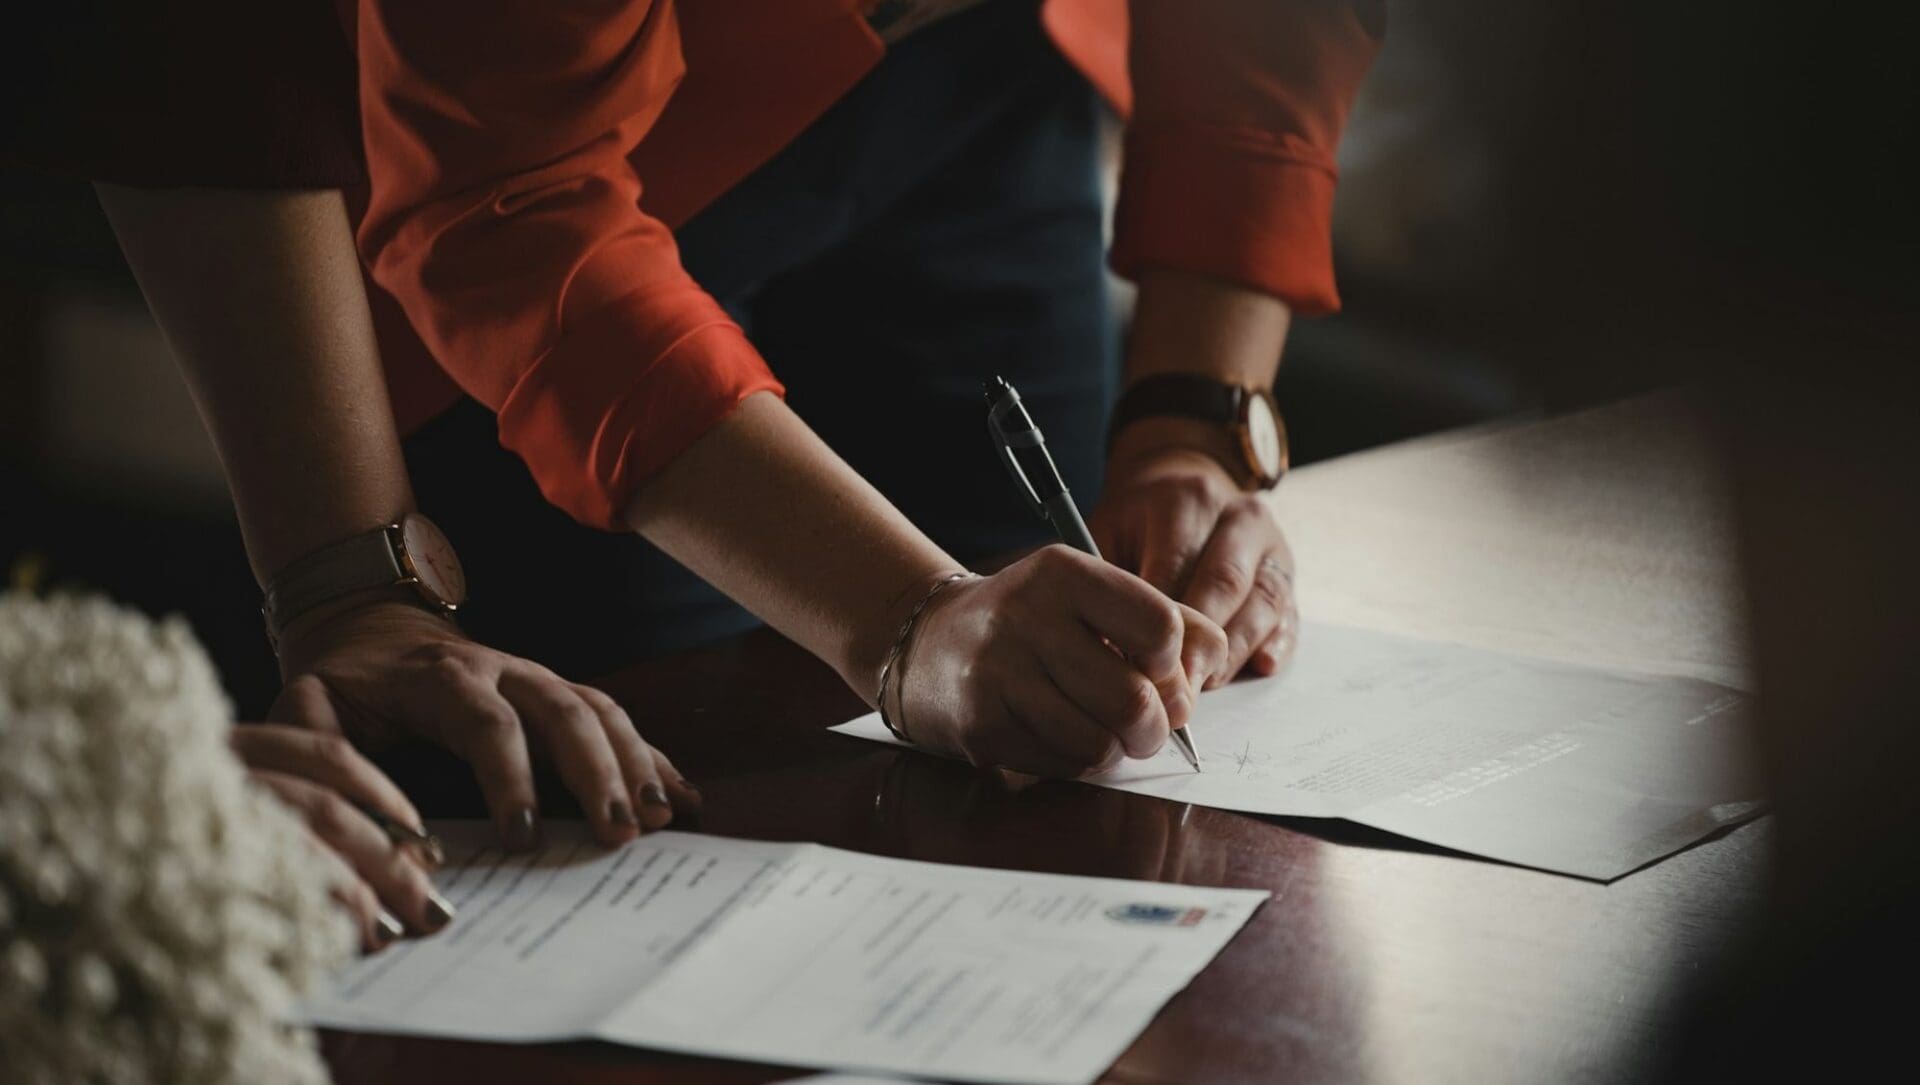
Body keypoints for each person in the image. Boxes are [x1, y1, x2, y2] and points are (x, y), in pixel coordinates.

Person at [310, 0, 1381, 794]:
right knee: (662, 784)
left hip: (993, 66)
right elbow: (510, 201)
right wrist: (900, 618)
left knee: (1052, 716)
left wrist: (1190, 426)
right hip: (569, 177)